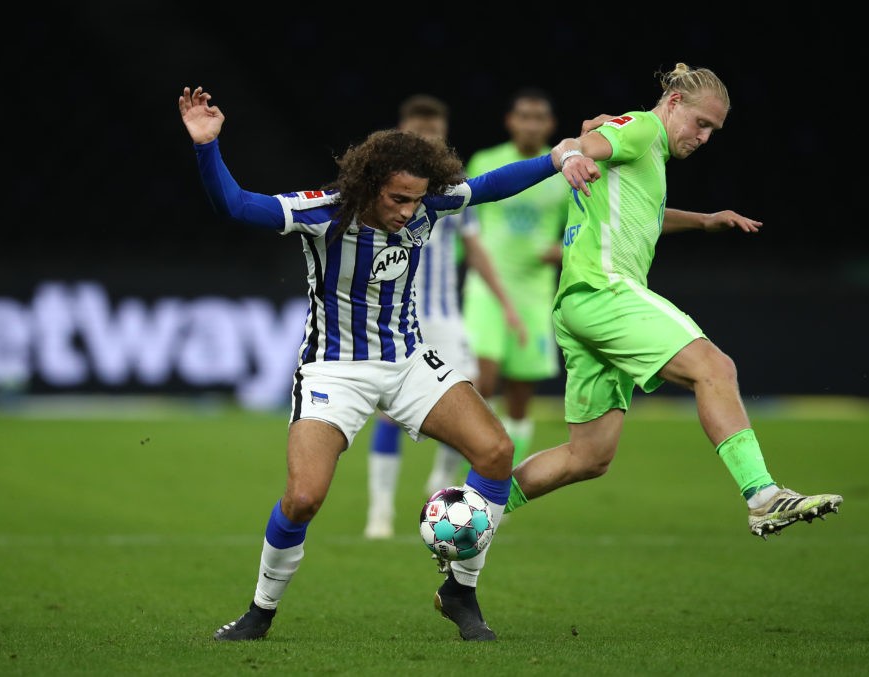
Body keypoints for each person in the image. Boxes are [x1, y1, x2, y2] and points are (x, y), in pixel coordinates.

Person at [176, 85, 598, 642]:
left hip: (407, 360)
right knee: (304, 497)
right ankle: (259, 612)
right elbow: (235, 205)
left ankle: (460, 592)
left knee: (496, 452)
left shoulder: (427, 203)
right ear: (369, 186)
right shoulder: (323, 213)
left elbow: (490, 186)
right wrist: (207, 146)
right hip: (334, 369)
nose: (408, 211)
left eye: (416, 200)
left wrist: (556, 155)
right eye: (397, 199)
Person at [503, 63, 843, 541]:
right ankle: (763, 496)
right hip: (606, 290)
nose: (705, 137)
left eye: (714, 131)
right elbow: (581, 147)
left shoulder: (649, 154)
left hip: (579, 305)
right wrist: (574, 153)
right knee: (715, 368)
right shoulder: (640, 128)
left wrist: (705, 221)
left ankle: (471, 507)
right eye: (702, 123)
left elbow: (643, 214)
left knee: (587, 458)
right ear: (675, 103)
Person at [364, 94, 526, 539]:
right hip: (397, 318)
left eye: (434, 134)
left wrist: (507, 305)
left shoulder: (455, 191)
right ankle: (379, 513)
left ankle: (441, 480)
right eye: (418, 134)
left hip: (445, 316)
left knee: (470, 401)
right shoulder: (383, 193)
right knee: (389, 416)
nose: (427, 141)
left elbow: (475, 251)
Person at [462, 87, 571, 469]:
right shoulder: (487, 160)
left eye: (538, 118)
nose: (530, 124)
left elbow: (583, 226)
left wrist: (564, 248)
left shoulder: (564, 172)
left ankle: (503, 479)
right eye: (523, 116)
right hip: (486, 289)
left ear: (550, 125)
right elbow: (465, 218)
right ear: (511, 121)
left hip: (534, 293)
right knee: (482, 380)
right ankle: (468, 471)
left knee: (520, 397)